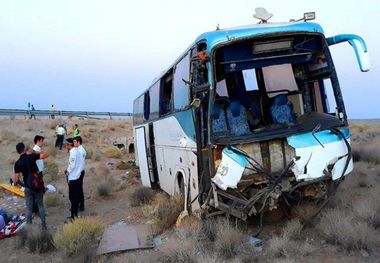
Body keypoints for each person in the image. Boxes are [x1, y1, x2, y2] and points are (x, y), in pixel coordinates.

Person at [14, 142, 49, 229]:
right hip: (37, 184)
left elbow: (16, 180)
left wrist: (23, 185)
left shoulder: (17, 163)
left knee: (29, 207)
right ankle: (44, 226)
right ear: (25, 149)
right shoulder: (31, 157)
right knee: (40, 205)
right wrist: (33, 151)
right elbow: (46, 155)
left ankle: (29, 227)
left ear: (18, 152)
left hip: (28, 187)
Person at [64, 138, 82, 220]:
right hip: (77, 176)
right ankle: (74, 214)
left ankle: (74, 215)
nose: (65, 146)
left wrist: (67, 171)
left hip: (74, 178)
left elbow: (72, 165)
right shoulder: (77, 151)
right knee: (75, 197)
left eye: (66, 145)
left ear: (69, 145)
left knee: (73, 197)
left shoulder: (73, 153)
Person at [74, 136, 86, 212]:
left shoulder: (81, 151)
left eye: (75, 141)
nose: (74, 143)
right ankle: (80, 205)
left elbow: (81, 163)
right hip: (79, 171)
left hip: (79, 172)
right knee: (79, 189)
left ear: (78, 142)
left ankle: (80, 206)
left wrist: (77, 173)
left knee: (78, 189)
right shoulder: (79, 149)